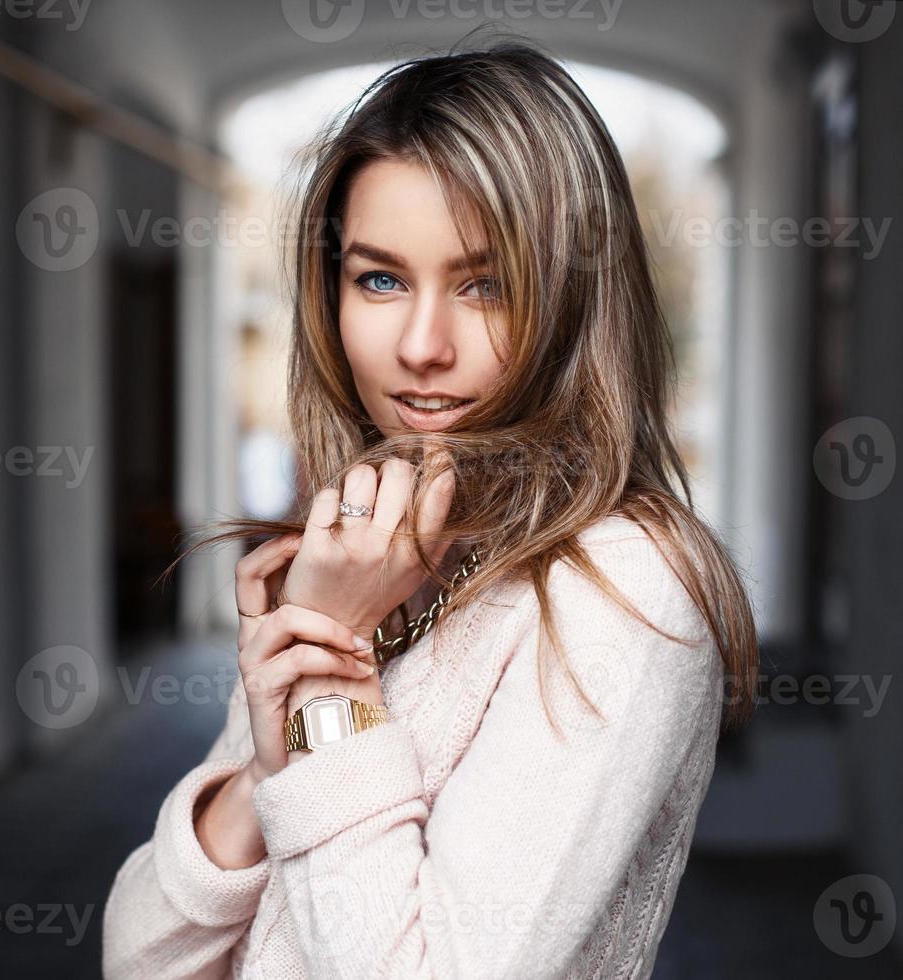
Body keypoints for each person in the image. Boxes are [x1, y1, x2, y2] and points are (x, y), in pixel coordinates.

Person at [102, 35, 758, 980]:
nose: (420, 344)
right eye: (379, 278)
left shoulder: (620, 585)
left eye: (483, 285)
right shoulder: (373, 557)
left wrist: (326, 690)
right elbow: (138, 956)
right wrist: (264, 763)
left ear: (574, 299)